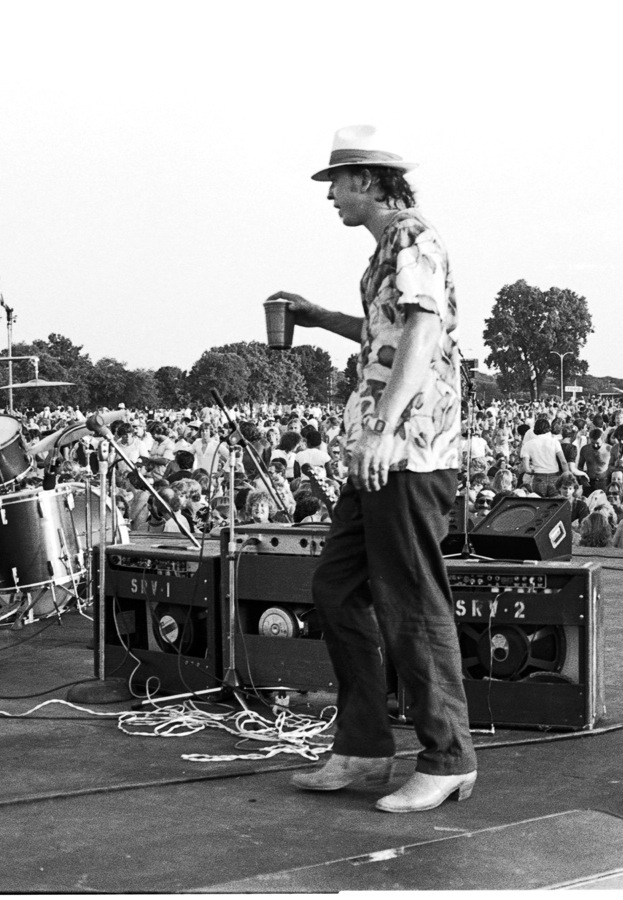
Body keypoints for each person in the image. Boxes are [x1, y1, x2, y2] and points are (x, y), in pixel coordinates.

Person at [270, 125, 475, 814]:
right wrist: (322, 316)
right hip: (378, 452)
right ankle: (363, 746)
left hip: (407, 451)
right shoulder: (387, 252)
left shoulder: (414, 238)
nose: (330, 197)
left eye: (336, 184)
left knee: (411, 603)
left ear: (366, 181)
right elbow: (388, 330)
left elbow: (422, 331)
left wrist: (387, 429)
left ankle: (447, 757)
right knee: (337, 587)